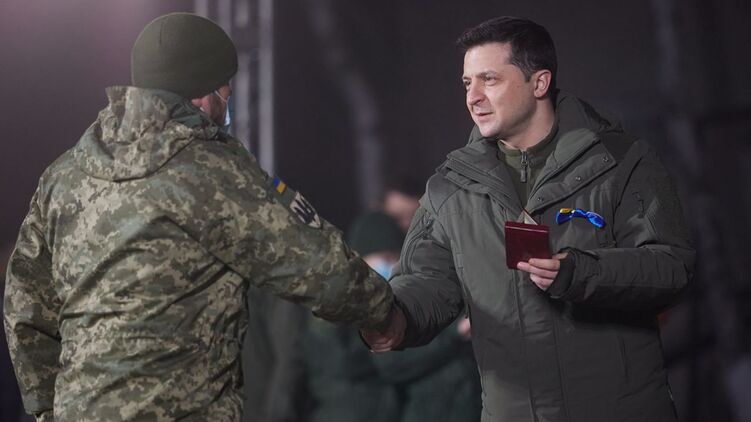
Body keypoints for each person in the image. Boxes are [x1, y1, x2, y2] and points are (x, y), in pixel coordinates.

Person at [3, 13, 394, 422]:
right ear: (201, 97)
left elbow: (25, 307)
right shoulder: (213, 170)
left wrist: (48, 408)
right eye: (225, 90)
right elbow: (319, 267)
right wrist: (387, 314)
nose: (227, 101)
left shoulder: (63, 176)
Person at [362, 16, 695, 422]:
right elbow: (426, 283)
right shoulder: (449, 189)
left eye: (489, 79)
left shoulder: (620, 162)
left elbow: (671, 267)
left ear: (539, 83)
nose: (473, 97)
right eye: (467, 83)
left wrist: (580, 272)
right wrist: (391, 319)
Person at [300, 212, 480, 422]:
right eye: (383, 258)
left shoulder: (388, 303)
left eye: (394, 258)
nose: (388, 266)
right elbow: (382, 363)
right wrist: (452, 335)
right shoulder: (341, 308)